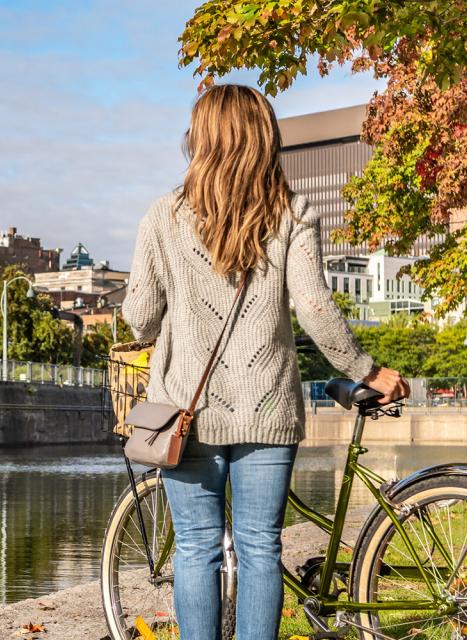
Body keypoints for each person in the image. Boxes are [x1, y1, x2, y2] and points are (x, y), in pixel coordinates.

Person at [121, 84, 410, 640]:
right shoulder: (292, 213)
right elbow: (317, 310)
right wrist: (365, 369)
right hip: (269, 407)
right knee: (260, 547)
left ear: (200, 140)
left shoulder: (161, 217)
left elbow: (141, 319)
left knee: (198, 547)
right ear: (264, 140)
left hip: (185, 412)